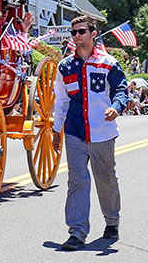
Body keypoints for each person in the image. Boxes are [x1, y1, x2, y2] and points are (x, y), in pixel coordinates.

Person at [52, 15, 128, 251]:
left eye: (81, 31)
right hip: (75, 132)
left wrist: (115, 107)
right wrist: (57, 130)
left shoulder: (108, 63)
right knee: (77, 181)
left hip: (102, 132)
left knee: (105, 180)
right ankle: (76, 232)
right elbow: (61, 101)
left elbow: (121, 90)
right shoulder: (65, 66)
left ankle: (112, 221)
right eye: (73, 33)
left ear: (93, 34)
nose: (76, 36)